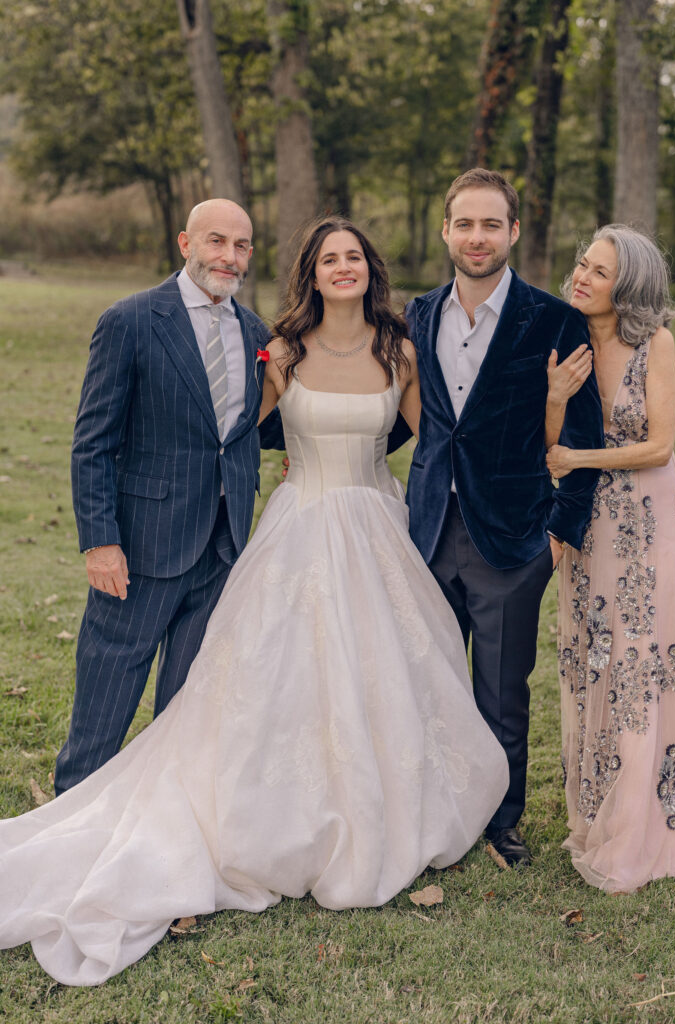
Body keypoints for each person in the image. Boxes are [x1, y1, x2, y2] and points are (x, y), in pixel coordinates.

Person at [0, 217, 509, 986]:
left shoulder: (398, 351)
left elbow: (442, 440)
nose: (344, 268)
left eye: (355, 258)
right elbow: (235, 433)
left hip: (375, 529)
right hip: (296, 529)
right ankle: (128, 802)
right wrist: (116, 523)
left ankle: (379, 813)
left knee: (382, 678)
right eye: (329, 259)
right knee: (268, 681)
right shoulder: (282, 351)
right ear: (312, 272)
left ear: (371, 270)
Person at [401, 168, 604, 867]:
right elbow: (406, 420)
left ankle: (500, 821)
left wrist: (558, 533)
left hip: (512, 539)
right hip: (425, 530)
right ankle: (431, 814)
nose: (477, 237)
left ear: (513, 231)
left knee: (499, 690)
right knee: (425, 684)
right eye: (465, 223)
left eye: (492, 224)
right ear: (447, 230)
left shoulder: (552, 319)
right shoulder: (418, 313)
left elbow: (585, 436)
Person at [546, 224, 675, 892]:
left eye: (598, 272)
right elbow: (544, 436)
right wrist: (554, 406)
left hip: (651, 514)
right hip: (588, 518)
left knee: (645, 654)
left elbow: (658, 446)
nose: (581, 277)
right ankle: (599, 805)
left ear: (627, 288)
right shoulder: (566, 338)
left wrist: (579, 457)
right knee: (593, 652)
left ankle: (653, 811)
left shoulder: (653, 343)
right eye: (582, 264)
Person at [56, 199, 282, 794]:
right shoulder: (130, 321)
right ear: (185, 243)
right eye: (215, 242)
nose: (228, 257)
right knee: (107, 692)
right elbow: (93, 443)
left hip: (222, 546)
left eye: (240, 246)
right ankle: (73, 808)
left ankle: (160, 820)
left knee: (186, 708)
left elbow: (253, 431)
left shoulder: (258, 333)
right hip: (140, 545)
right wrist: (101, 542)